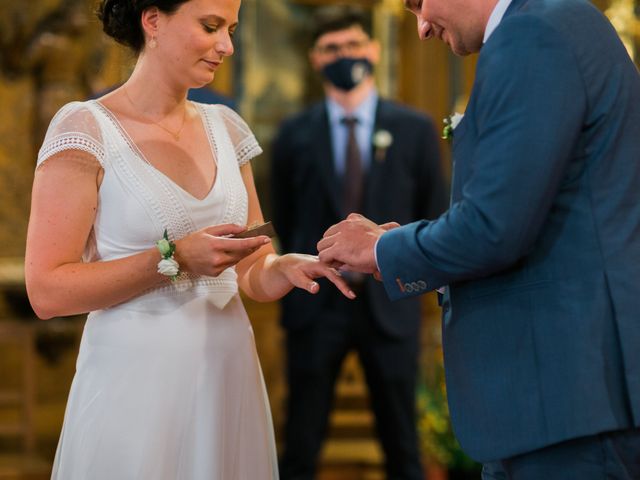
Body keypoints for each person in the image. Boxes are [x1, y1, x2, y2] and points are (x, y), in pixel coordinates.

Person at [24, 0, 354, 478]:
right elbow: (46, 290)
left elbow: (250, 268)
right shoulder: (86, 128)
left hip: (226, 376)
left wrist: (279, 268)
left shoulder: (227, 127)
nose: (227, 46)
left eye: (232, 29)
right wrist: (174, 259)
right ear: (153, 20)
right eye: (211, 26)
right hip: (135, 383)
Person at [317, 0, 640, 478]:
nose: (422, 27)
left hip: (565, 396)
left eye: (418, 4)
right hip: (568, 393)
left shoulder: (532, 35)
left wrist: (381, 249)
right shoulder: (559, 22)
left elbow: (494, 228)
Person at [271, 7, 447, 479]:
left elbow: (433, 209)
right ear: (314, 59)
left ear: (373, 50)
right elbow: (283, 215)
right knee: (301, 446)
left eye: (352, 46)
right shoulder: (293, 135)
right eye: (331, 49)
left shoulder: (415, 128)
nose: (343, 56)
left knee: (402, 446)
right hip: (316, 307)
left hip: (390, 305)